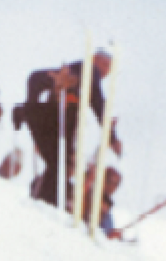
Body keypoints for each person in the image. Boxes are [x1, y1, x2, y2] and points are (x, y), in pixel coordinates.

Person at [12, 49, 121, 206]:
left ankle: (45, 199)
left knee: (59, 163)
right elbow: (98, 104)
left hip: (57, 119)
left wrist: (31, 105)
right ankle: (47, 201)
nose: (106, 70)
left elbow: (35, 78)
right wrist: (112, 137)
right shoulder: (90, 70)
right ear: (93, 59)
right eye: (104, 64)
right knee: (60, 163)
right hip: (55, 119)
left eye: (109, 68)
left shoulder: (81, 75)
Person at [81, 165, 124, 238]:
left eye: (116, 184)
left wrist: (114, 234)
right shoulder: (87, 195)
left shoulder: (107, 206)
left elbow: (107, 233)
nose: (112, 187)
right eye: (109, 182)